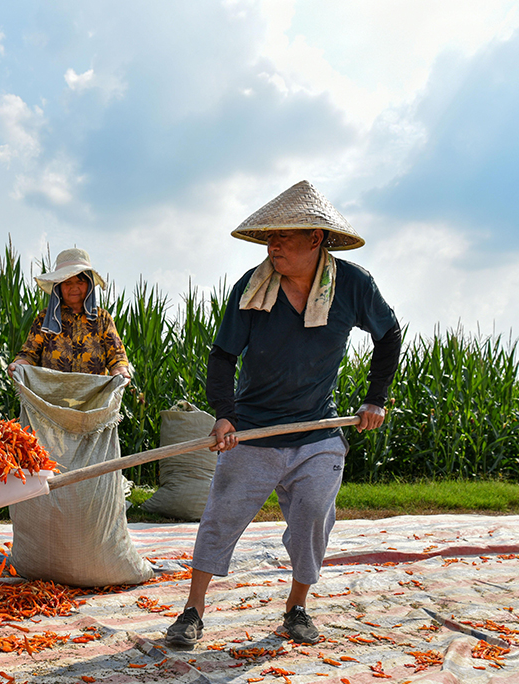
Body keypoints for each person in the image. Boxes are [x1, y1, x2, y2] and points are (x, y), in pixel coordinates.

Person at [165, 180, 402, 647]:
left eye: (283, 237)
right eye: (268, 237)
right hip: (254, 429)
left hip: (317, 429)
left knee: (315, 515)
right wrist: (225, 415)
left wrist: (376, 398)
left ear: (316, 238)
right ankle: (192, 611)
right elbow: (223, 356)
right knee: (222, 517)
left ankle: (297, 607)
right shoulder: (252, 288)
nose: (272, 245)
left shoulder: (352, 285)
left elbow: (389, 334)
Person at [8, 247, 132, 380]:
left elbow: (116, 356)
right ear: (58, 286)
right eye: (67, 282)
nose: (74, 288)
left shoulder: (102, 319)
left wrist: (120, 370)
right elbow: (30, 354)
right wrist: (19, 365)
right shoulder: (45, 318)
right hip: (52, 395)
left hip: (94, 396)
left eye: (80, 281)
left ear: (89, 284)